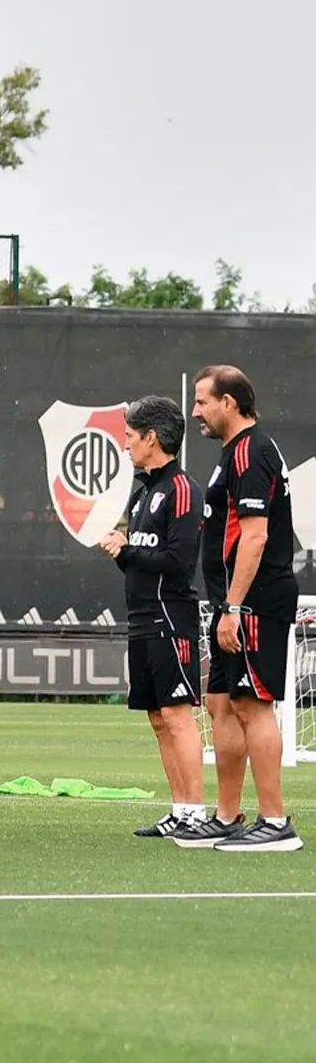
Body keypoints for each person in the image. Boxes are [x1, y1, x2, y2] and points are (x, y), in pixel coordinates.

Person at [185, 365, 301, 852]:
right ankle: (228, 817)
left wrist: (233, 605)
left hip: (254, 600)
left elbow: (255, 535)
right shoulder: (232, 454)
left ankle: (275, 824)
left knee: (255, 705)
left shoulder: (252, 452)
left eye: (202, 402)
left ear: (230, 403)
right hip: (231, 602)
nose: (195, 413)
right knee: (223, 704)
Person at [95, 396, 207, 841]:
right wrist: (122, 552)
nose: (125, 444)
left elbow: (180, 561)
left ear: (151, 438)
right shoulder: (144, 493)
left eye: (129, 435)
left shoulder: (182, 489)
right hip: (141, 620)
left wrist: (129, 549)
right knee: (158, 718)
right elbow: (141, 561)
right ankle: (180, 809)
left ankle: (197, 813)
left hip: (170, 619)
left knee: (177, 716)